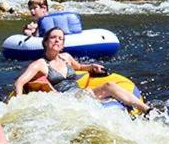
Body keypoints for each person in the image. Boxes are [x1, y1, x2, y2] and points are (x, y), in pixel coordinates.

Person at [14, 27, 150, 113]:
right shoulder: (40, 64)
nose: (57, 40)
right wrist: (18, 104)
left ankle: (146, 110)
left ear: (62, 45)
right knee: (89, 97)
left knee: (110, 85)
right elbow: (19, 82)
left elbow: (79, 67)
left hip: (81, 93)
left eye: (60, 38)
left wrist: (92, 67)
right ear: (45, 42)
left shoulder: (66, 57)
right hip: (66, 99)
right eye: (53, 37)